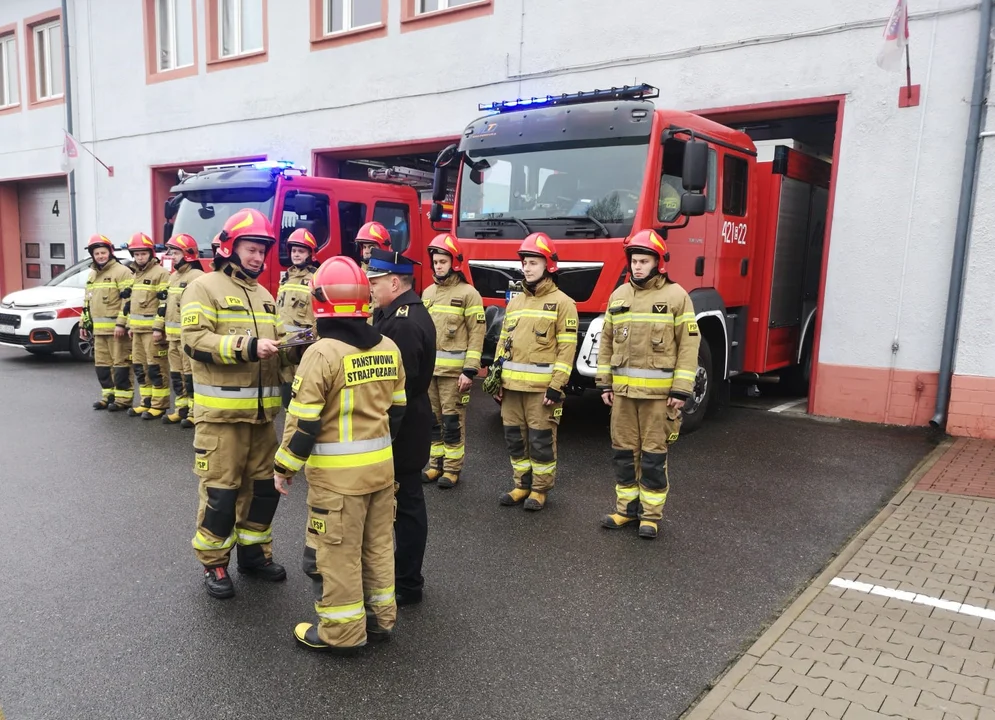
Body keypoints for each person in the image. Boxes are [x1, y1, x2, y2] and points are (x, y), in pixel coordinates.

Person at [273, 256, 407, 654]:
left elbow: (304, 423)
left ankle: (342, 634)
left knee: (335, 555)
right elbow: (397, 410)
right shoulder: (388, 346)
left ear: (320, 302)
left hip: (337, 483)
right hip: (381, 472)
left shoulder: (322, 353)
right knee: (379, 546)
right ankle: (381, 621)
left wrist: (283, 467)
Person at [180, 208, 289, 599]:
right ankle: (215, 565)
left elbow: (273, 352)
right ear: (229, 246)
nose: (258, 257)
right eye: (251, 248)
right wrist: (247, 347)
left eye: (262, 250)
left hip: (262, 419)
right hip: (221, 419)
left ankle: (254, 556)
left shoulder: (265, 295)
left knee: (263, 491)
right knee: (221, 494)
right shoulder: (203, 287)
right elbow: (194, 341)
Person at [597, 229, 700, 540]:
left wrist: (681, 389)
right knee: (623, 453)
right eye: (634, 260)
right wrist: (605, 383)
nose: (637, 266)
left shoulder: (676, 296)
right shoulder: (618, 296)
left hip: (659, 398)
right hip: (624, 397)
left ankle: (650, 516)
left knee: (653, 457)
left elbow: (688, 345)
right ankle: (626, 510)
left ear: (659, 263)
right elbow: (606, 342)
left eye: (644, 260)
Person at [367, 247, 436, 606]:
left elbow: (399, 388)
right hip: (406, 422)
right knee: (403, 502)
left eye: (375, 281)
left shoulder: (404, 322)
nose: (370, 288)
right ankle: (402, 577)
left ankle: (408, 583)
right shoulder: (395, 313)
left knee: (406, 505)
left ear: (394, 281)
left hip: (403, 425)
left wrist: (384, 430)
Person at [493, 232, 578, 512]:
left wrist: (557, 385)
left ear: (549, 266)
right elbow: (504, 343)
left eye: (533, 262)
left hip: (542, 392)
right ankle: (521, 484)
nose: (527, 268)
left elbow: (567, 351)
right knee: (514, 439)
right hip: (512, 388)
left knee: (541, 442)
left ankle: (540, 490)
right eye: (525, 262)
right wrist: (496, 378)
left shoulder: (564, 303)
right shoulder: (515, 303)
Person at [420, 233, 485, 488]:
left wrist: (469, 371)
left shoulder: (469, 294)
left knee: (452, 421)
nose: (438, 266)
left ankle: (452, 469)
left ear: (454, 262)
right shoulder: (427, 293)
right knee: (433, 420)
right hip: (430, 372)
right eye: (435, 261)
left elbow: (477, 334)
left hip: (453, 374)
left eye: (443, 261)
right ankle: (435, 464)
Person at [80, 234, 134, 411]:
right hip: (99, 332)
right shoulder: (93, 274)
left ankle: (123, 399)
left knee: (120, 364)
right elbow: (87, 302)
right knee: (102, 366)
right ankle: (108, 396)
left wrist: (121, 324)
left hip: (116, 331)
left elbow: (128, 301)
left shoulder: (121, 272)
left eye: (103, 252)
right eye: (97, 253)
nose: (100, 256)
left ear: (110, 252)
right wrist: (83, 324)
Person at [124, 232, 171, 420]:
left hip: (152, 332)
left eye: (143, 254)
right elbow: (130, 304)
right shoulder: (134, 274)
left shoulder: (160, 274)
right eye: (136, 254)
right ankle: (146, 402)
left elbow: (164, 303)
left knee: (156, 368)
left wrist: (159, 328)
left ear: (151, 254)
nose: (140, 257)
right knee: (140, 369)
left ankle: (159, 405)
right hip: (136, 331)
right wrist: (129, 326)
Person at [158, 233, 204, 427]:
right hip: (172, 337)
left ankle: (195, 412)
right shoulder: (173, 276)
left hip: (187, 337)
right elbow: (164, 305)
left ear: (188, 254)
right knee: (176, 375)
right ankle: (181, 409)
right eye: (172, 252)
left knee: (190, 375)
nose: (172, 256)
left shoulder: (198, 277)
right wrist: (159, 329)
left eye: (176, 252)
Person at [276, 228, 319, 408]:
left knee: (302, 393)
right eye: (294, 250)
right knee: (286, 395)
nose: (296, 254)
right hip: (283, 345)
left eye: (301, 251)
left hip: (302, 347)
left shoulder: (315, 279)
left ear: (310, 253)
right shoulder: (286, 278)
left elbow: (318, 316)